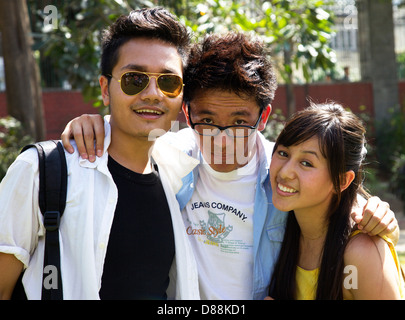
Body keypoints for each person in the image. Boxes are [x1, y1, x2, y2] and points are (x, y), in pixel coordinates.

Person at [61, 32, 399, 299]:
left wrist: (373, 210)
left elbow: (332, 192)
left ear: (264, 116)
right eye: (206, 120)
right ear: (187, 113)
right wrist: (97, 124)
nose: (221, 141)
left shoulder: (282, 177)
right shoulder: (167, 156)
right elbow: (128, 132)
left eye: (239, 123)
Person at [0, 8, 200, 300]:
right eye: (135, 79)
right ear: (106, 89)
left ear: (181, 96)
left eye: (169, 82)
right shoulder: (41, 171)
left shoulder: (180, 175)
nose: (153, 94)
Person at [268, 103, 404, 300]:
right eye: (283, 153)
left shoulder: (360, 253)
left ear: (341, 181)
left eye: (306, 163)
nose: (285, 172)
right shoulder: (286, 229)